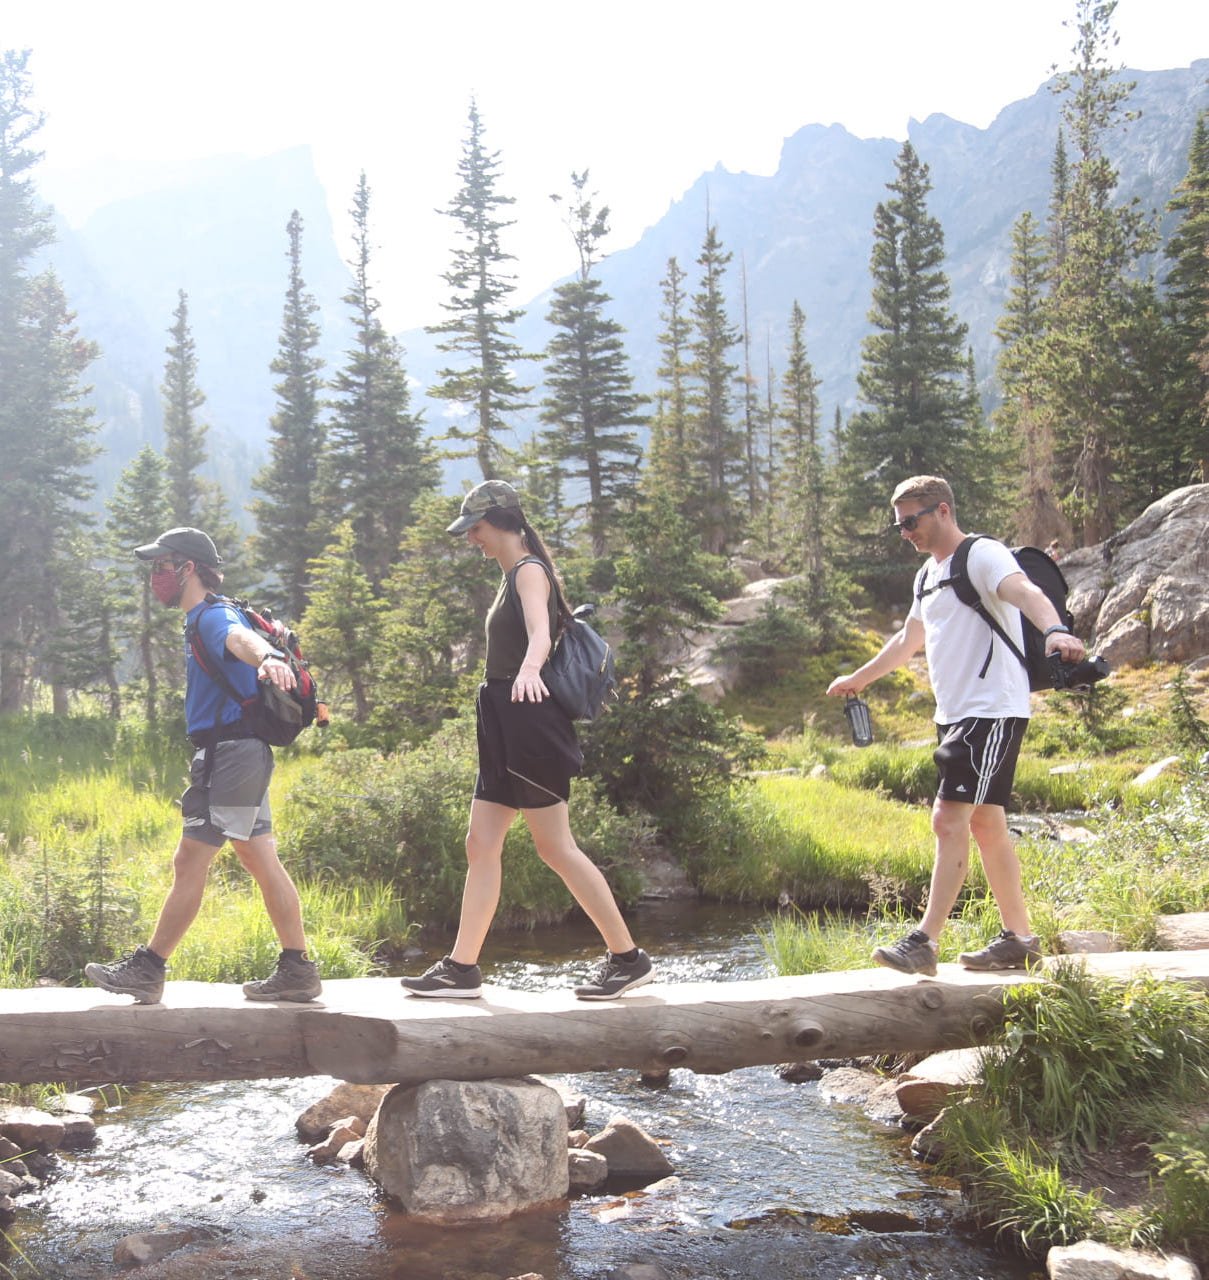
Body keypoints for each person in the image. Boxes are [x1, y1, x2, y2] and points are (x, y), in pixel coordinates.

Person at [400, 480, 654, 1001]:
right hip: (501, 720)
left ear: (502, 522)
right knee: (481, 843)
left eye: (476, 528)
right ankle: (462, 969)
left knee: (555, 847)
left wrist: (530, 669)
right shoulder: (508, 575)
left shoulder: (530, 571)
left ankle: (628, 959)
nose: (472, 538)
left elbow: (540, 632)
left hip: (528, 717)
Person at [826, 476, 1086, 975]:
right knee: (987, 824)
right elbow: (908, 639)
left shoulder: (983, 555)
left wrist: (1054, 629)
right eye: (898, 523)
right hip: (955, 715)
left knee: (948, 819)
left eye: (911, 520)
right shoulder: (928, 575)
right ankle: (1021, 940)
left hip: (991, 709)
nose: (904, 531)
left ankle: (924, 941)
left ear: (942, 511)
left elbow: (1025, 590)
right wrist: (859, 679)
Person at [85, 527, 321, 1005]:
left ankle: (149, 968)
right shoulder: (202, 616)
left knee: (194, 857)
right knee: (255, 857)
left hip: (233, 755)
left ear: (188, 568)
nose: (157, 576)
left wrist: (269, 655)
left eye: (163, 565)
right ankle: (297, 968)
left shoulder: (214, 615)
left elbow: (238, 639)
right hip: (231, 755)